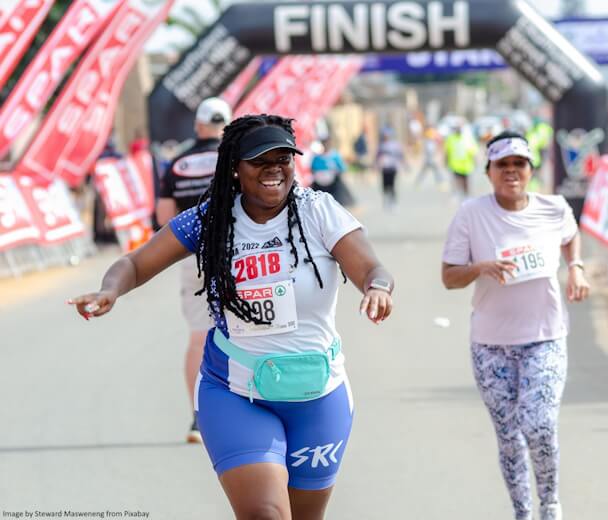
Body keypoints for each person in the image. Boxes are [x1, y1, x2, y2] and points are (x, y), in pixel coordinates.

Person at [69, 114, 394, 520]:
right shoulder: (211, 219)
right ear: (236, 169)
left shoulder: (319, 211)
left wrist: (377, 288)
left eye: (284, 158)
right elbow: (135, 264)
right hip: (236, 393)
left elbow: (371, 269)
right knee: (265, 514)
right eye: (261, 160)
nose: (275, 168)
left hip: (318, 392)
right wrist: (109, 289)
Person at [441, 131, 590, 520]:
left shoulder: (553, 208)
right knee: (509, 436)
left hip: (545, 338)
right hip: (491, 344)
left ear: (531, 170)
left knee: (538, 423)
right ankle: (523, 511)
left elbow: (571, 237)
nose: (511, 172)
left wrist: (575, 268)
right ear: (488, 171)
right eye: (502, 165)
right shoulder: (471, 214)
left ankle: (551, 503)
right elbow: (449, 277)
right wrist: (480, 267)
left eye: (518, 164)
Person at [156, 97, 232, 443]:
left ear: (198, 126)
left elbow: (163, 219)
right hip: (238, 251)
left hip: (192, 254)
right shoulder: (236, 157)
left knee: (200, 337)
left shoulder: (177, 164)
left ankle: (199, 420)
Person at [310, 136, 355, 208]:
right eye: (324, 143)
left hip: (333, 182)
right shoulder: (317, 157)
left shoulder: (335, 156)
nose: (326, 145)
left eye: (328, 143)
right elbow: (313, 168)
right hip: (320, 183)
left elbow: (342, 168)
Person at [444, 122, 479, 198]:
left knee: (466, 183)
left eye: (460, 128)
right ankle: (457, 195)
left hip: (466, 165)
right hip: (455, 165)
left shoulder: (468, 138)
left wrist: (475, 161)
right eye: (457, 128)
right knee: (457, 182)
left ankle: (467, 197)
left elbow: (473, 152)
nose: (458, 130)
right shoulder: (451, 138)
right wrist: (445, 161)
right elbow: (447, 151)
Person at [375, 129, 404, 210]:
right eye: (385, 135)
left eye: (387, 135)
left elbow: (400, 155)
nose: (386, 137)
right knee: (385, 186)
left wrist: (403, 164)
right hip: (384, 168)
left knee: (392, 185)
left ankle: (393, 202)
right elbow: (377, 156)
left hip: (393, 167)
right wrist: (376, 165)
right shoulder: (381, 145)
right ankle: (386, 202)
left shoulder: (395, 145)